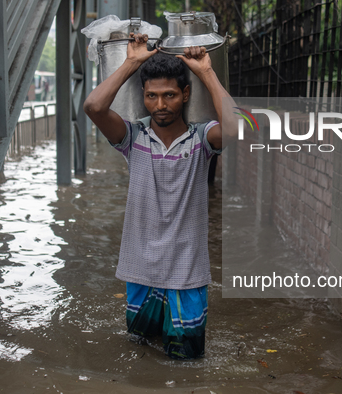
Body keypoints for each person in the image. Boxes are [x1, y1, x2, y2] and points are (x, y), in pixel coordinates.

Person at [83, 32, 236, 359]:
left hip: (187, 271)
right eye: (151, 96)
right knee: (139, 355)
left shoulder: (201, 139)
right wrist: (132, 62)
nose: (161, 105)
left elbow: (237, 127)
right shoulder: (133, 137)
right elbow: (94, 106)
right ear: (143, 96)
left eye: (169, 95)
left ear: (185, 95)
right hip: (140, 268)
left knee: (187, 362)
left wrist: (206, 70)